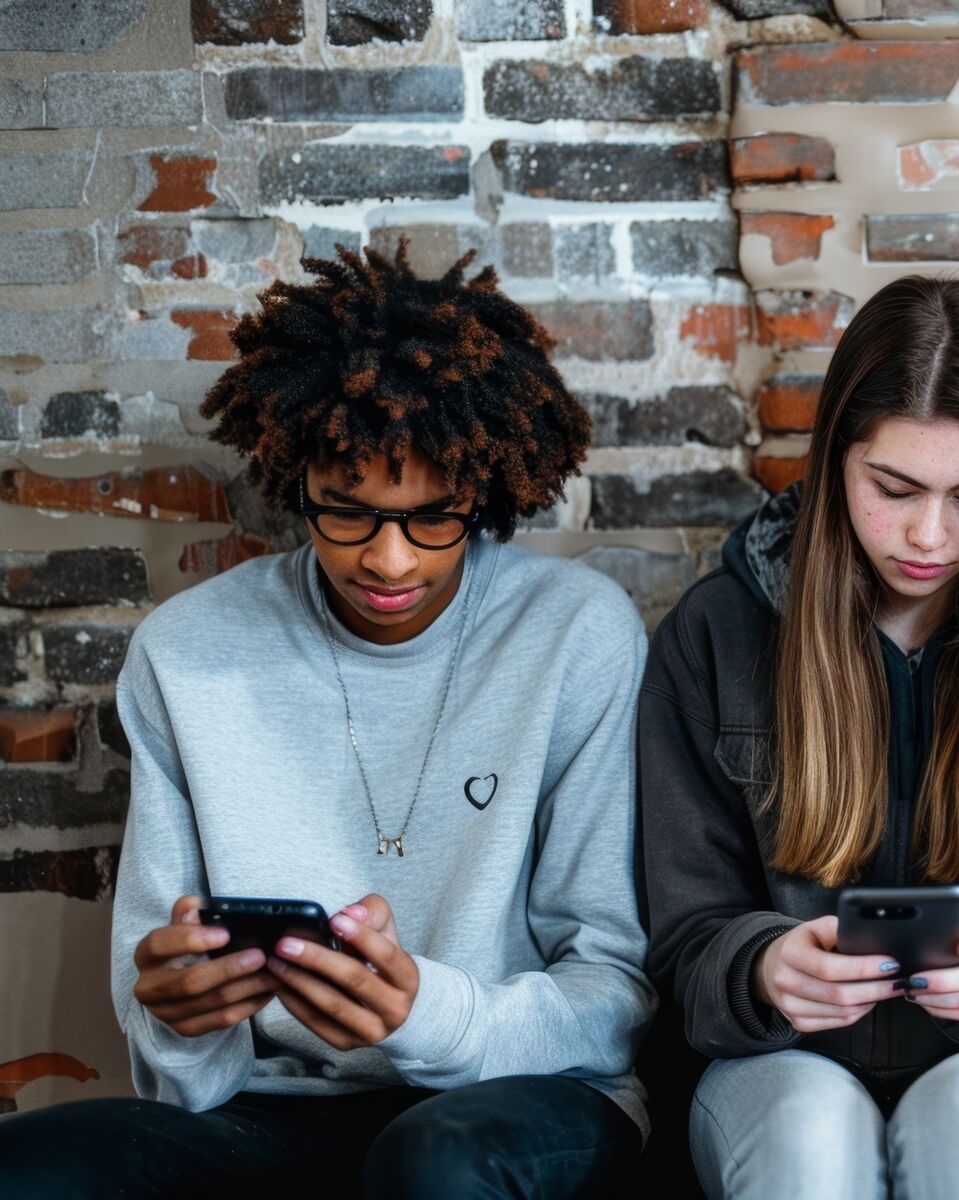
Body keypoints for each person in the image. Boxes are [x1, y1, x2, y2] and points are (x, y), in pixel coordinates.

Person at [0, 244, 656, 1197]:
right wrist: (183, 1018)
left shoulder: (574, 635)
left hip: (522, 1094)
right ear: (292, 474)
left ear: (488, 491)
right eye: (346, 512)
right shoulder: (187, 655)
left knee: (434, 1163)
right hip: (275, 1104)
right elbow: (177, 1067)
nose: (389, 562)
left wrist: (427, 1013)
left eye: (436, 517)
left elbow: (614, 994)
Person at [637, 276, 959, 1200]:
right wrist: (761, 971)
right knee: (807, 1134)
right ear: (835, 459)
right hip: (778, 1066)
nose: (931, 534)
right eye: (895, 488)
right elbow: (682, 936)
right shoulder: (716, 635)